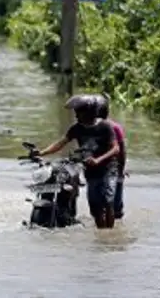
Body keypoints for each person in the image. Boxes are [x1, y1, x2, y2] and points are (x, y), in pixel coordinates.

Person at [35, 94, 121, 229]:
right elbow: (60, 143)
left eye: (78, 112)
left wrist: (98, 160)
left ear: (88, 112)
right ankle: (101, 234)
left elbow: (116, 148)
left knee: (107, 201)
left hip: (108, 169)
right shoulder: (77, 128)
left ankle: (108, 233)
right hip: (91, 172)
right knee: (95, 205)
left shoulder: (105, 127)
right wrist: (42, 152)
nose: (76, 115)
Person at [95, 93, 127, 220]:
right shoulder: (116, 127)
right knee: (116, 207)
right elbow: (122, 151)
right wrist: (121, 170)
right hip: (113, 169)